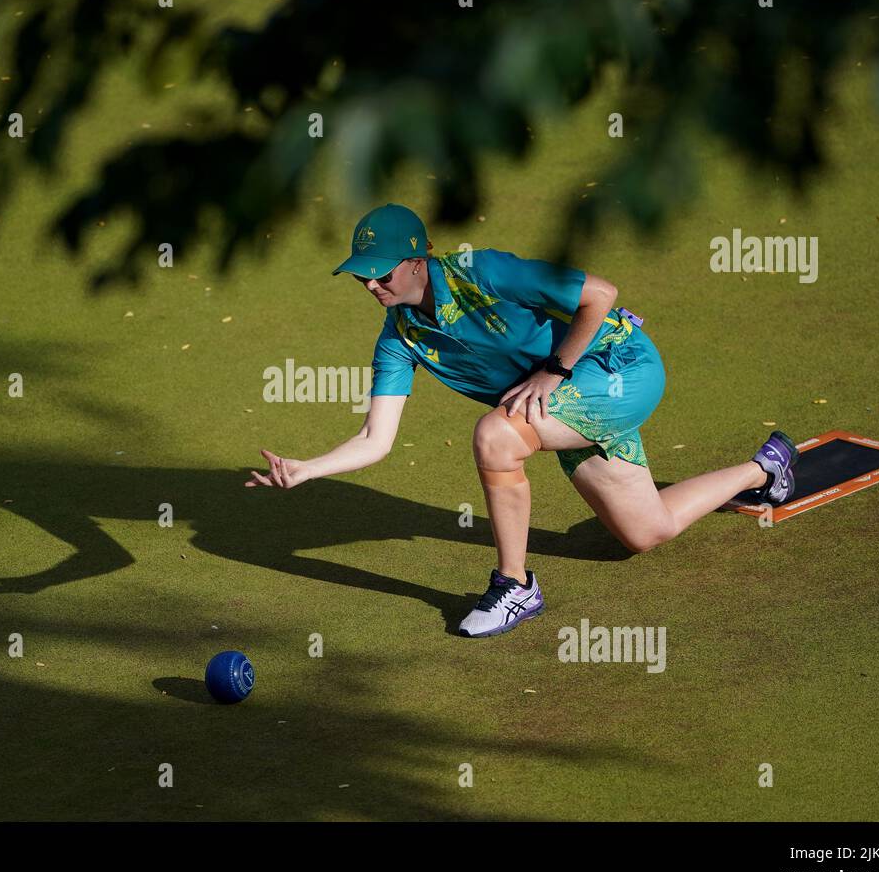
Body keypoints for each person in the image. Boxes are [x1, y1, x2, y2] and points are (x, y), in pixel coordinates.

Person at [247, 204, 798, 638]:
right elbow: (375, 439)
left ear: (417, 261)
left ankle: (515, 586)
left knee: (495, 436)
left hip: (618, 369)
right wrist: (306, 470)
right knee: (644, 532)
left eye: (381, 274)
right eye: (362, 278)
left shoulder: (482, 270)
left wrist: (557, 370)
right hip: (556, 405)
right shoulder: (399, 339)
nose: (372, 287)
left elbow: (601, 294)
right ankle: (765, 469)